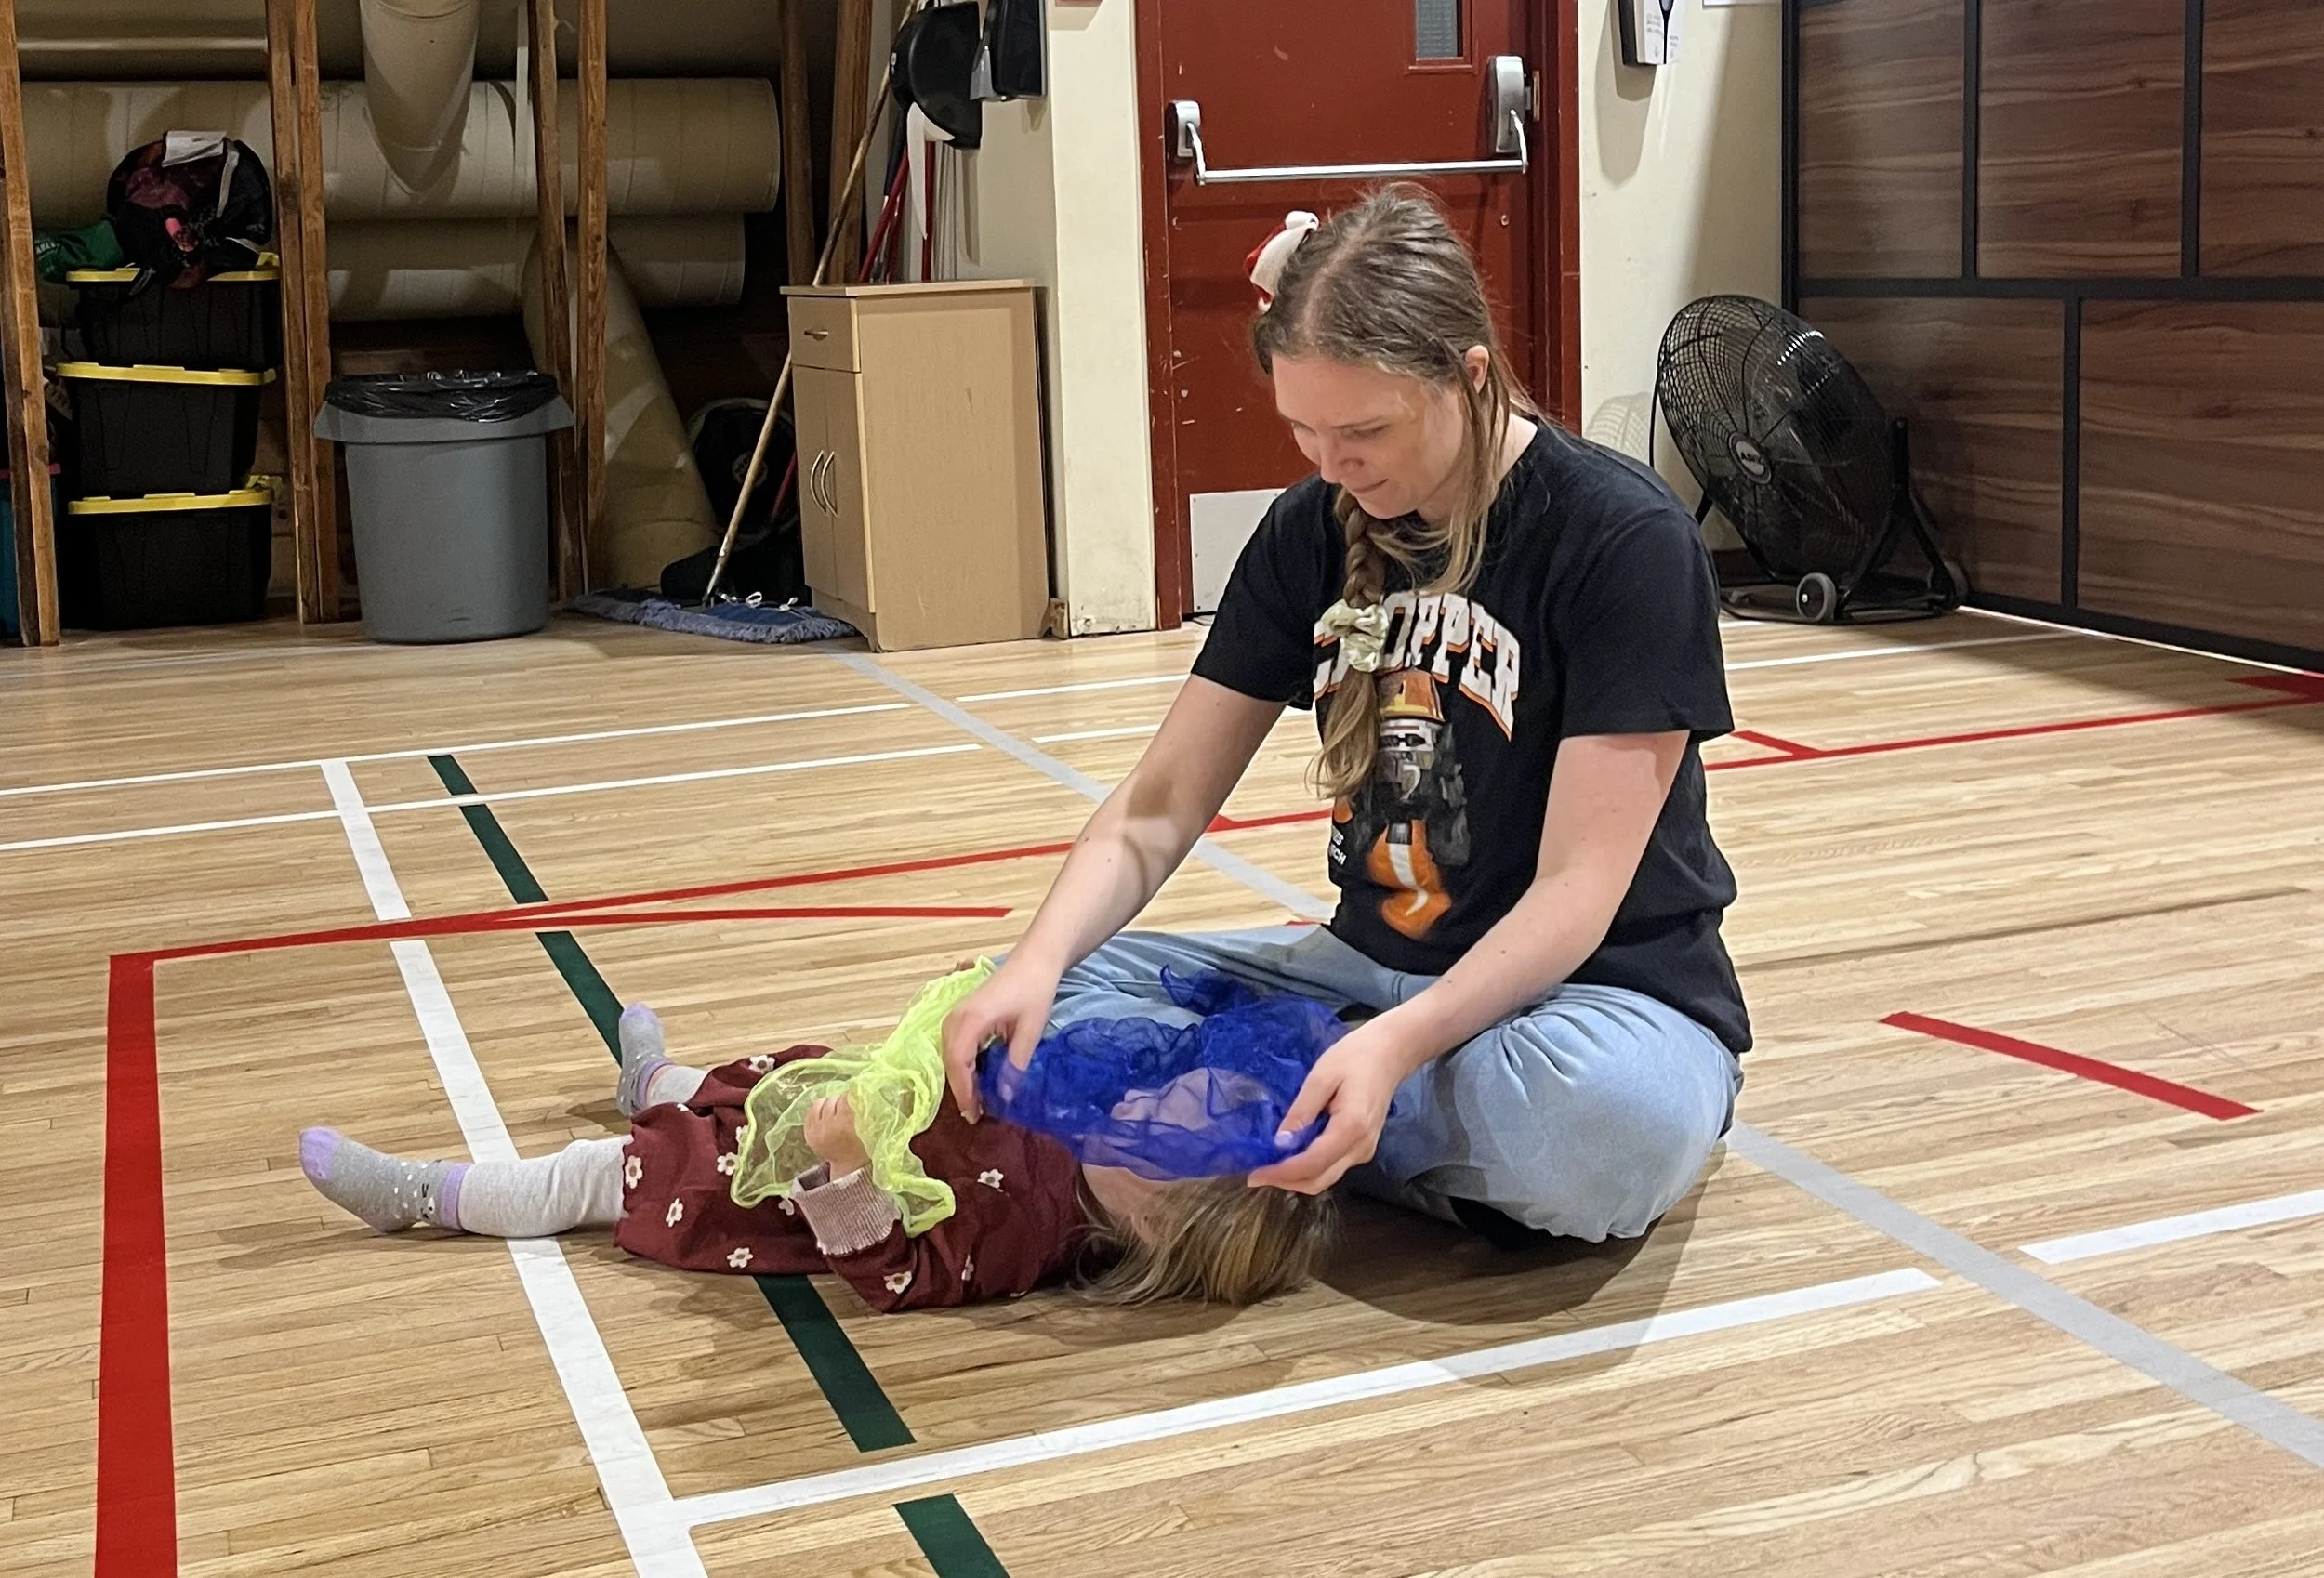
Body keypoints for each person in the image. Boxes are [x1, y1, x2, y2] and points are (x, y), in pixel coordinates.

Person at [941, 186, 1750, 1248]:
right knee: (1021, 999)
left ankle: (1268, 1124)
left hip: (1587, 1004)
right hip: (1357, 984)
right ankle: (1331, 1127)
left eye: (1363, 430)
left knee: (1601, 1130)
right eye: (1302, 430)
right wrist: (1036, 963)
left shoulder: (1622, 539)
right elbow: (1160, 803)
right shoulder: (1306, 529)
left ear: (1467, 375)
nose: (1331, 465)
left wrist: (1396, 1049)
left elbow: (1575, 896)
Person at [300, 1002, 1337, 1310]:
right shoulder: (1078, 1135)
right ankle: (653, 1082)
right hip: (823, 1112)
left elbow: (896, 1273)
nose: (1141, 1101)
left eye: (1164, 1125)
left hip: (772, 1201)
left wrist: (834, 1168)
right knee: (733, 1089)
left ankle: (426, 1195)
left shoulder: (1024, 1237)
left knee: (589, 1171)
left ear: (1154, 1218)